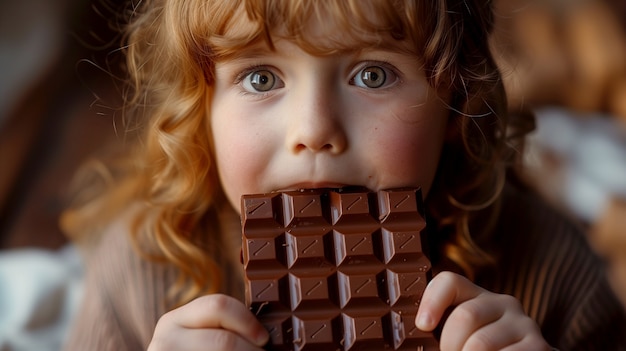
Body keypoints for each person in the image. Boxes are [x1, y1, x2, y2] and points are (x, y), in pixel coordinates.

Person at [61, 0, 626, 350]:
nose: (313, 129)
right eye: (260, 78)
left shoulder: (546, 267)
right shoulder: (142, 270)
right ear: (200, 111)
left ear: (454, 100)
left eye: (373, 74)